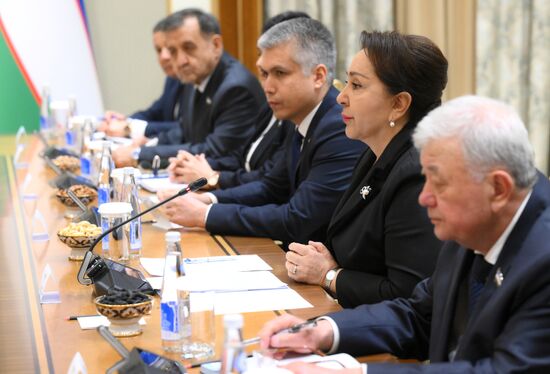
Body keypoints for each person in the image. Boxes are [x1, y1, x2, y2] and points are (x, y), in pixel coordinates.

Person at [258, 95, 550, 373]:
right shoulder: (474, 224)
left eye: (439, 183)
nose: (424, 198)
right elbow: (420, 315)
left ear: (498, 189)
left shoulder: (542, 259)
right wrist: (320, 331)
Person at [158, 18, 365, 245]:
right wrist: (207, 199)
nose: (268, 86)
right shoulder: (295, 115)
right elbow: (271, 188)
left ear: (318, 76)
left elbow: (299, 219)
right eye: (264, 74)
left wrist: (204, 215)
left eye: (280, 73)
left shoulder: (338, 127)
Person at [285, 31, 446, 308]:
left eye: (357, 86)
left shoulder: (417, 175)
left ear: (399, 104)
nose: (341, 98)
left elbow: (410, 295)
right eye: (347, 83)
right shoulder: (377, 153)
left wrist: (329, 275)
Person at [166, 12, 311, 189]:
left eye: (280, 71)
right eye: (264, 68)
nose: (268, 84)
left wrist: (213, 181)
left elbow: (271, 184)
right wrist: (195, 167)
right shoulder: (271, 101)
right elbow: (242, 157)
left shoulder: (239, 87)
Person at [112, 8, 265, 167]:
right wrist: (147, 145)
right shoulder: (195, 76)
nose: (180, 61)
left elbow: (214, 150)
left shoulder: (236, 88)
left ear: (216, 45)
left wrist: (140, 155)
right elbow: (184, 131)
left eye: (188, 47)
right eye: (173, 51)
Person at [99, 16, 183, 139]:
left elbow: (185, 129)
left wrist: (129, 128)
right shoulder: (173, 78)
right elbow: (155, 112)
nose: (164, 56)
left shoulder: (197, 79)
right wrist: (124, 121)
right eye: (159, 50)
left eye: (170, 49)